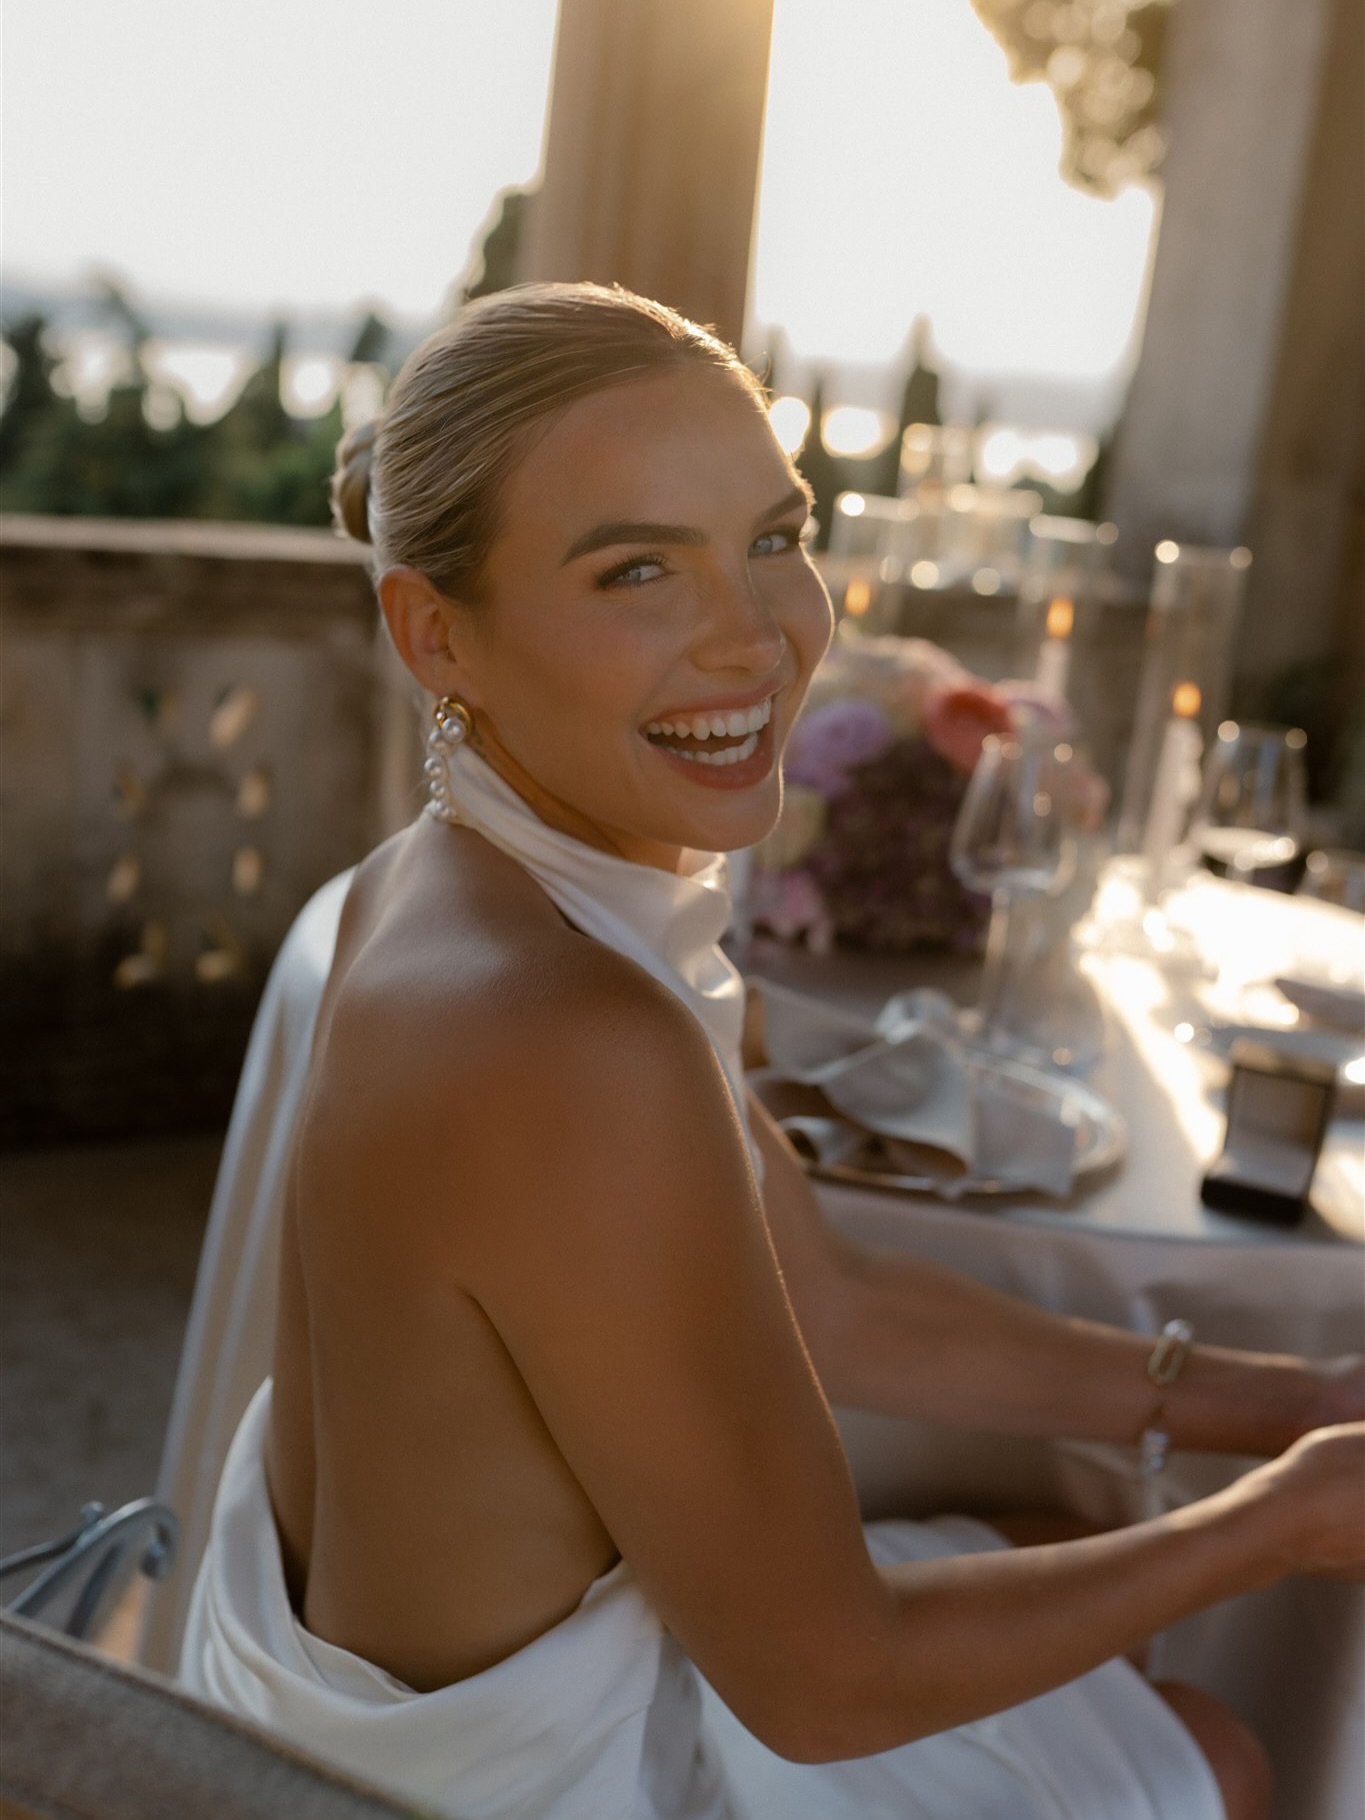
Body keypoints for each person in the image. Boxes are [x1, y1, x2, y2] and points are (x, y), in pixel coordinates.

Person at [180, 282, 1364, 1820]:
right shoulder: (569, 1038)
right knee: (1214, 1752)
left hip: (355, 1726)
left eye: (773, 536)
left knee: (1023, 1533)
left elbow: (835, 1303)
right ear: (435, 633)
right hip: (517, 1793)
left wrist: (1285, 1397)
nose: (757, 637)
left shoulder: (450, 883)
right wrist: (1277, 1525)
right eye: (635, 573)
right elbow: (826, 1688)